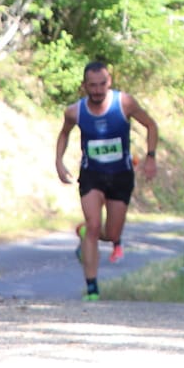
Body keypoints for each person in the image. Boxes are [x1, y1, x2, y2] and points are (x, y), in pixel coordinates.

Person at [55, 60, 160, 300]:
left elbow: (151, 126)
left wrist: (151, 157)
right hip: (92, 175)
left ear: (109, 82)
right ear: (84, 86)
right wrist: (59, 162)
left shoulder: (124, 103)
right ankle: (92, 289)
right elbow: (64, 134)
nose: (98, 90)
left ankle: (85, 235)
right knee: (93, 226)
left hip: (121, 176)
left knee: (112, 234)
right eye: (92, 85)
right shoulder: (75, 111)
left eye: (102, 84)